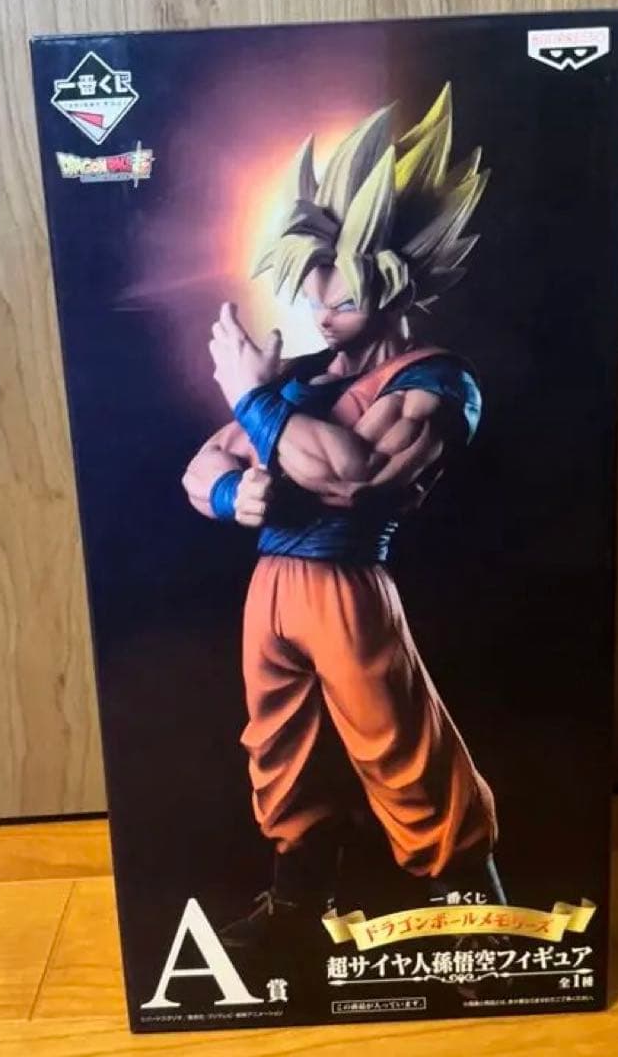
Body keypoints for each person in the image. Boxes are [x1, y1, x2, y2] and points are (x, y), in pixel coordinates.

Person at [182, 85, 506, 947]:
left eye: (344, 301)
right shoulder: (304, 375)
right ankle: (297, 904)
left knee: (396, 743)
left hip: (346, 580)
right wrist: (234, 494)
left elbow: (354, 480)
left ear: (396, 291)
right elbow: (202, 466)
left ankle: (470, 907)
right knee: (275, 746)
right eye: (317, 299)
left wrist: (253, 400)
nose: (324, 317)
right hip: (272, 583)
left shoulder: (432, 380)